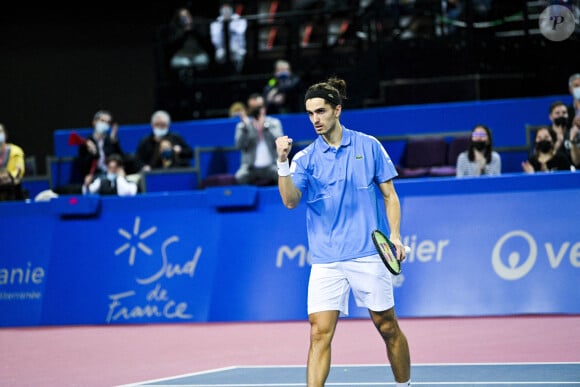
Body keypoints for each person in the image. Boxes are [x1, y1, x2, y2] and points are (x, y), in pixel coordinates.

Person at [274, 77, 411, 387]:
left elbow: (389, 195)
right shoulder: (305, 159)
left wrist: (396, 235)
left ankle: (405, 385)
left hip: (368, 253)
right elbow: (290, 201)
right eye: (310, 114)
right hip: (326, 260)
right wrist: (282, 163)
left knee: (387, 326)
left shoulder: (368, 145)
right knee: (319, 332)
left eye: (320, 111)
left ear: (337, 110)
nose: (315, 120)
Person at [234, 93, 284, 186]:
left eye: (259, 107)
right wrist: (246, 128)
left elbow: (280, 142)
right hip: (250, 168)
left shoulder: (274, 123)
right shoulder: (243, 126)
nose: (257, 111)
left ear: (264, 108)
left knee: (284, 176)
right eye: (254, 108)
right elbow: (239, 145)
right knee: (239, 177)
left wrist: (265, 126)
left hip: (272, 165)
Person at [75, 110, 124, 182]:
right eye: (102, 121)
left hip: (112, 174)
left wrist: (114, 143)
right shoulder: (87, 142)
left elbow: (121, 160)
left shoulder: (110, 141)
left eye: (108, 122)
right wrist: (92, 153)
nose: (105, 124)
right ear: (94, 122)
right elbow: (83, 167)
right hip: (94, 177)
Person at [210, 0, 247, 73]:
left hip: (237, 49)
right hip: (222, 49)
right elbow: (215, 41)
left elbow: (240, 32)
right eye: (224, 7)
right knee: (220, 57)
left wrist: (229, 23)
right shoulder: (215, 23)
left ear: (231, 8)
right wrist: (222, 25)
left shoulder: (240, 20)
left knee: (238, 57)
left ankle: (237, 75)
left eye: (228, 7)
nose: (226, 10)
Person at [0, 123, 26, 201]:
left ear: (5, 134)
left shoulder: (16, 151)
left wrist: (9, 176)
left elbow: (19, 171)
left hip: (12, 188)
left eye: (0, 131)